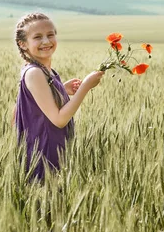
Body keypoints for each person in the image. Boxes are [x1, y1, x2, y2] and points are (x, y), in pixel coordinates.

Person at [14, 13, 104, 181]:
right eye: (38, 37)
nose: (46, 41)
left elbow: (36, 104)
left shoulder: (46, 72)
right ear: (23, 44)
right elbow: (59, 119)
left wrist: (60, 88)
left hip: (57, 150)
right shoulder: (34, 73)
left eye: (50, 34)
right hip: (43, 155)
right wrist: (85, 86)